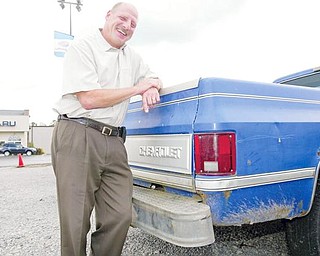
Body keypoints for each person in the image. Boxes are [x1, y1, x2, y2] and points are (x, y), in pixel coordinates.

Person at [51, 2, 162, 256]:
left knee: (120, 215)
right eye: (123, 18)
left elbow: (153, 76)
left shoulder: (132, 57)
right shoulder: (83, 47)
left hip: (114, 141)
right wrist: (138, 88)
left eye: (133, 24)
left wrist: (153, 86)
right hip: (78, 134)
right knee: (75, 220)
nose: (127, 26)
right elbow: (88, 98)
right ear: (108, 16)